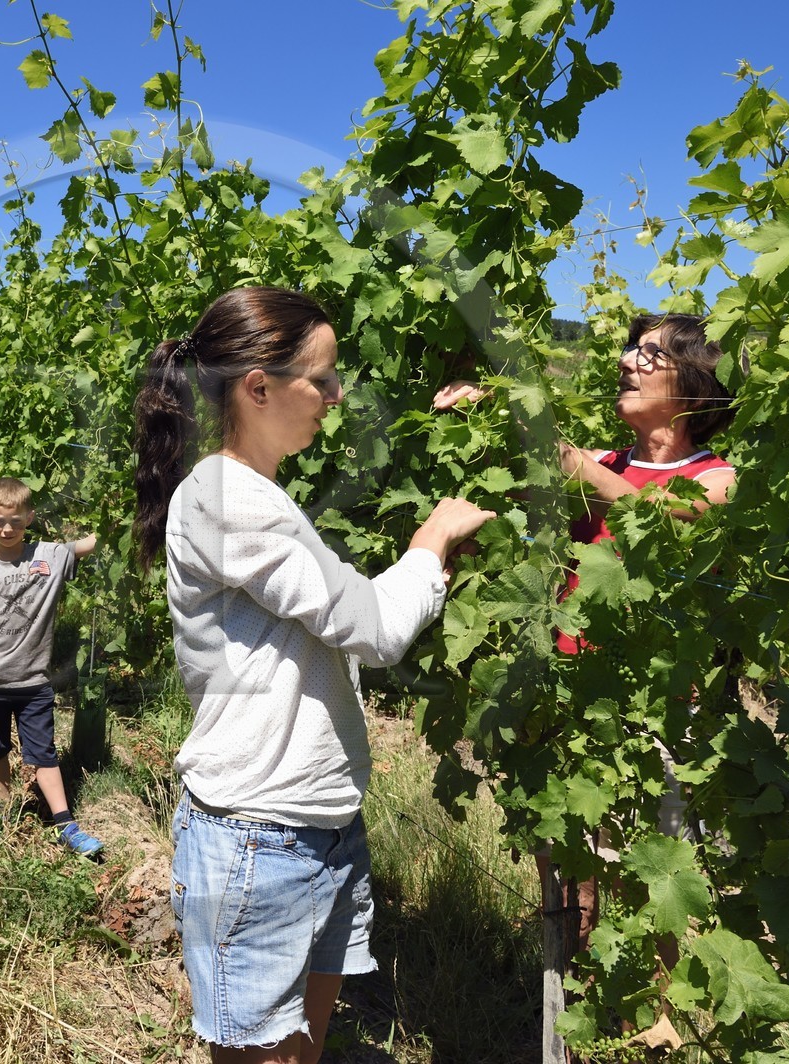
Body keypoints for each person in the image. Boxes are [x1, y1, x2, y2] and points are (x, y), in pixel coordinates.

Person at [133, 286, 495, 1064]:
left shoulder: (255, 493)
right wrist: (433, 537)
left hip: (314, 824)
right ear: (258, 387)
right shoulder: (228, 497)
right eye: (321, 379)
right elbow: (372, 626)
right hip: (261, 832)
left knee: (304, 1051)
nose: (336, 395)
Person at [434, 311, 737, 962]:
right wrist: (491, 419)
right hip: (565, 711)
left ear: (694, 387)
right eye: (630, 350)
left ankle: (649, 1032)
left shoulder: (716, 481)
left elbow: (657, 519)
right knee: (572, 894)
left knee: (648, 897)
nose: (627, 361)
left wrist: (573, 462)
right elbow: (526, 504)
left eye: (648, 355)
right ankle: (569, 1030)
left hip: (650, 727)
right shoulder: (602, 463)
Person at [0, 477, 103, 856]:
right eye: (0, 521)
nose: (8, 530)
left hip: (34, 683)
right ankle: (6, 815)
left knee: (43, 754)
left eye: (17, 522)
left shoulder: (49, 556)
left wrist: (114, 516)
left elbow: (91, 543)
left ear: (30, 518)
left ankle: (65, 824)